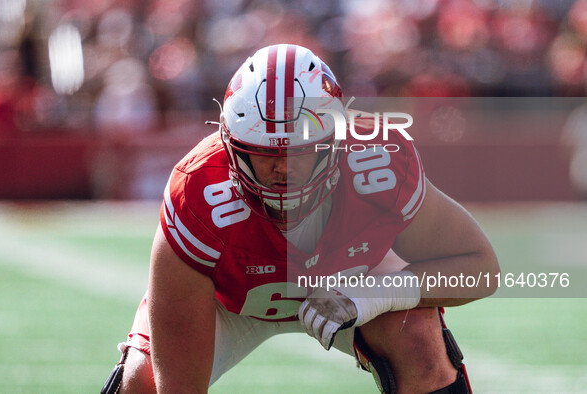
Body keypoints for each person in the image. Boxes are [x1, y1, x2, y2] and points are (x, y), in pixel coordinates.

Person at [101, 44, 500, 394]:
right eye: (265, 153)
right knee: (145, 382)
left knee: (419, 342)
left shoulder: (377, 164)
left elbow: (480, 268)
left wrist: (370, 296)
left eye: (300, 151)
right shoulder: (199, 192)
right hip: (229, 304)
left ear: (336, 142)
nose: (283, 169)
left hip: (351, 281)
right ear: (231, 148)